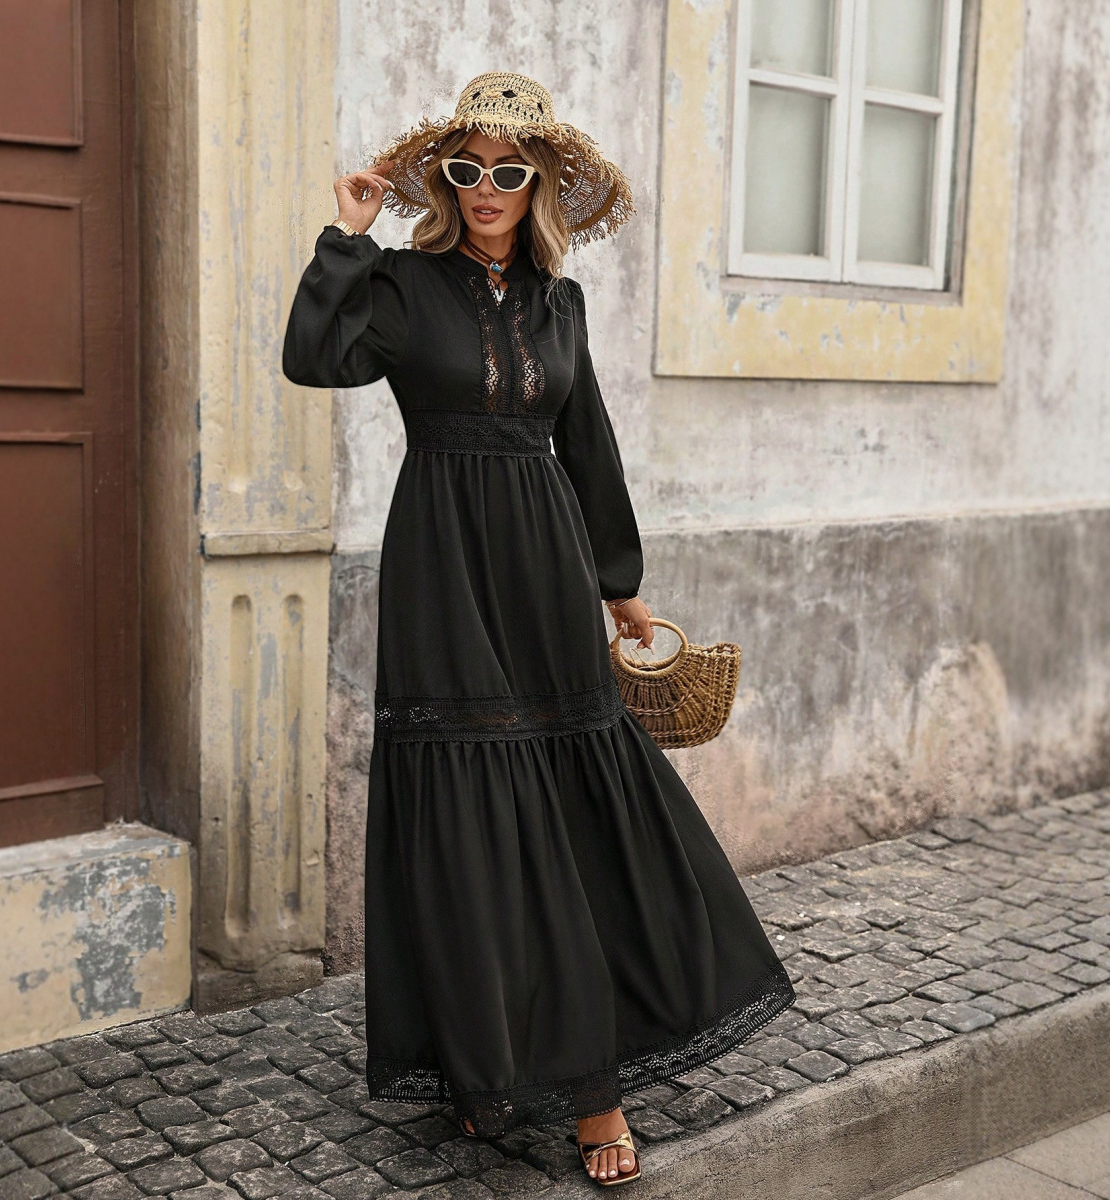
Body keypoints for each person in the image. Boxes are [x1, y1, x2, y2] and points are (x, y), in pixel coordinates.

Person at [282, 71, 796, 1188]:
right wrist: (346, 237)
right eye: (466, 167)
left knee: (567, 808)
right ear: (445, 177)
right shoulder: (399, 281)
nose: (486, 188)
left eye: (509, 171)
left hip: (548, 568)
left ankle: (593, 1090)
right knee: (470, 815)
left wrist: (620, 586)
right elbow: (315, 360)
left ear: (539, 185)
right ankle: (486, 1068)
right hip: (443, 568)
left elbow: (588, 441)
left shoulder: (562, 304)